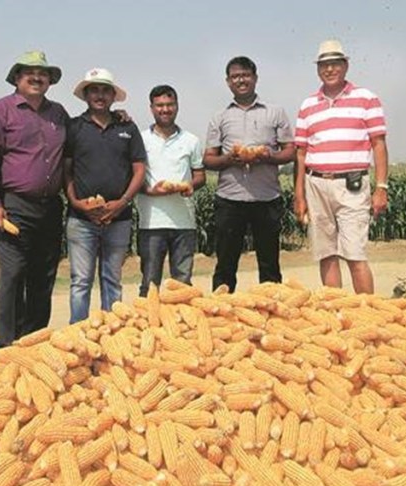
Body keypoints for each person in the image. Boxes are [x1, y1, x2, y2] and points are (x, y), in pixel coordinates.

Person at [0, 50, 68, 347]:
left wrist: (118, 117)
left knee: (43, 278)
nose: (36, 77)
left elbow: (82, 140)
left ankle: (34, 342)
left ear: (50, 81)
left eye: (42, 73)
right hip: (15, 206)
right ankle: (8, 345)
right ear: (17, 78)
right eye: (29, 72)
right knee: (13, 277)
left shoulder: (59, 114)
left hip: (50, 207)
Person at [293, 39, 389, 294]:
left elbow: (378, 144)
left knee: (355, 254)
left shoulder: (366, 99)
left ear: (345, 66)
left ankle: (366, 313)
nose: (329, 69)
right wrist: (299, 195)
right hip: (316, 183)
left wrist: (381, 187)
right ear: (318, 69)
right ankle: (336, 312)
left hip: (352, 184)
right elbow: (301, 154)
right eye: (324, 65)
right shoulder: (307, 106)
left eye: (335, 64)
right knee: (326, 253)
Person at [203, 56, 295, 293]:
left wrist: (267, 157)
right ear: (228, 82)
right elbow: (209, 159)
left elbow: (290, 152)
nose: (240, 80)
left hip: (267, 199)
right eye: (235, 76)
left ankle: (272, 311)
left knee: (269, 264)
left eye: (245, 75)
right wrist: (229, 159)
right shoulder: (219, 117)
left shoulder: (275, 112)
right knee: (225, 264)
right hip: (230, 200)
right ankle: (222, 312)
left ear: (255, 78)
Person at [64, 68, 146, 323]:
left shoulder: (127, 127)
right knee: (80, 281)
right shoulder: (74, 127)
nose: (100, 95)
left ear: (113, 96)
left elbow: (139, 169)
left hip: (119, 220)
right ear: (86, 95)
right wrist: (76, 202)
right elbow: (66, 171)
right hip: (81, 220)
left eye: (105, 90)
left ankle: (112, 335)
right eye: (94, 90)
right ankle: (79, 336)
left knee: (112, 280)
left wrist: (121, 203)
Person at [137, 85, 206, 296]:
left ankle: (180, 327)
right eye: (159, 105)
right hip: (151, 221)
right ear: (151, 108)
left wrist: (189, 186)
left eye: (169, 105)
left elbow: (200, 175)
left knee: (182, 284)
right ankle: (148, 325)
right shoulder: (140, 139)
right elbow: (132, 177)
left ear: (177, 106)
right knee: (150, 282)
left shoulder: (191, 141)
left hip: (184, 221)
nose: (165, 109)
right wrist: (150, 191)